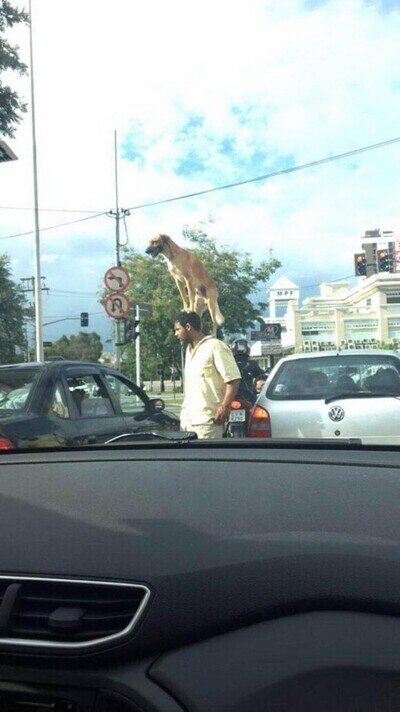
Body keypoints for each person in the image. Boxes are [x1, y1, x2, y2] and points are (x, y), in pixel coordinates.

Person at [174, 311, 241, 439]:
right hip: (187, 421)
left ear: (188, 327)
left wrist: (224, 406)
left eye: (178, 329)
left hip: (208, 422)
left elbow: (233, 379)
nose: (175, 334)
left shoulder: (215, 346)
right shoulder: (188, 351)